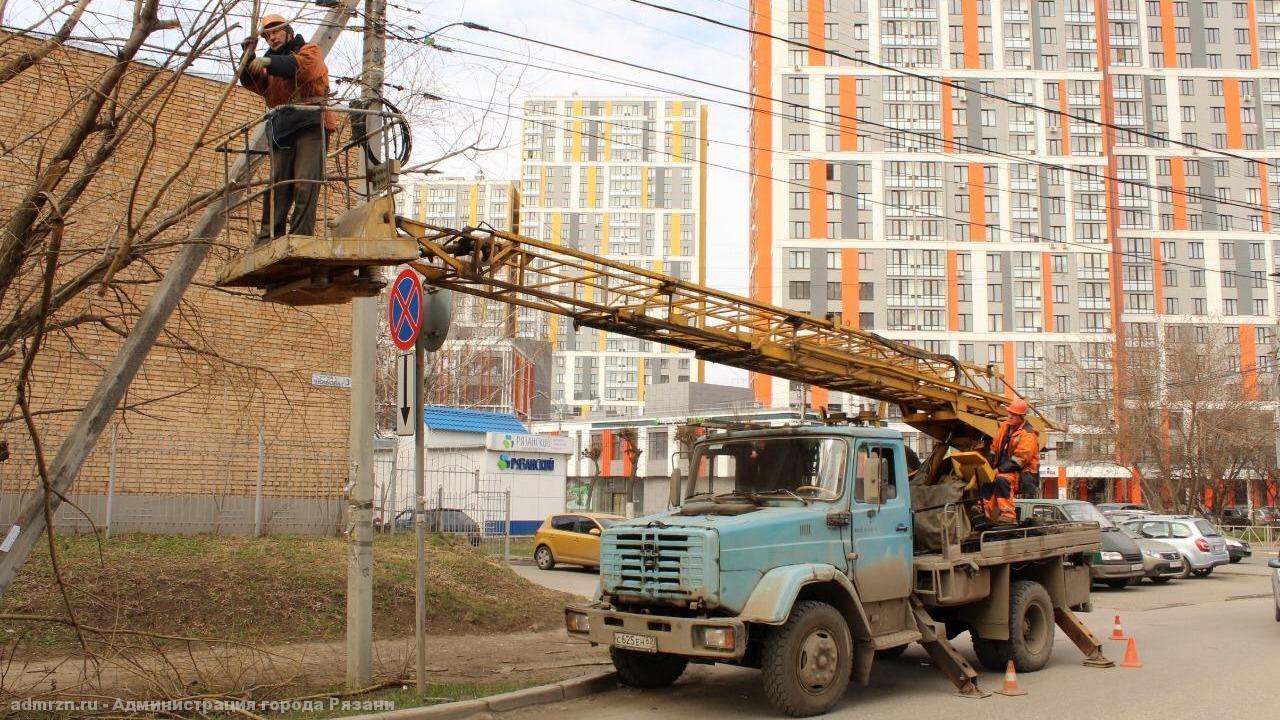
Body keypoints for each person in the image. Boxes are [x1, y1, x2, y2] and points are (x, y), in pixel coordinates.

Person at [239, 14, 335, 244]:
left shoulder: (309, 51)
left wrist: (268, 63)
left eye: (276, 32)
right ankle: (268, 238)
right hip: (283, 129)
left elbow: (304, 68)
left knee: (305, 181)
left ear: (288, 32)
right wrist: (248, 57)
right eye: (268, 35)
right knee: (278, 186)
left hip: (310, 124)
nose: (272, 38)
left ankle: (301, 237)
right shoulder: (268, 67)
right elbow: (252, 81)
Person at [980, 397, 1040, 525]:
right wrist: (988, 466)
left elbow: (1020, 460)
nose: (1010, 416)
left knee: (1001, 479)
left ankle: (1008, 514)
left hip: (1024, 474)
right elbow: (994, 448)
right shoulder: (1004, 427)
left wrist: (998, 470)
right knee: (988, 478)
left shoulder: (1028, 434)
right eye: (1010, 413)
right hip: (1006, 469)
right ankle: (983, 511)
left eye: (1014, 414)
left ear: (1021, 417)